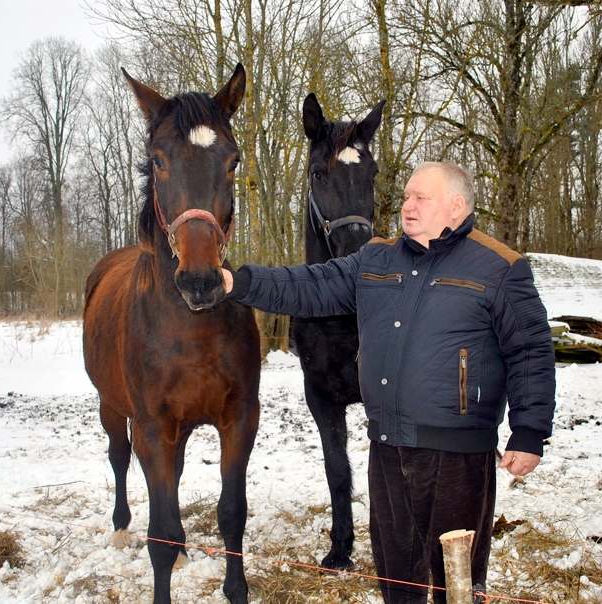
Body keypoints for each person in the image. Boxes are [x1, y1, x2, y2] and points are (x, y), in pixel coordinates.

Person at [222, 161, 555, 603]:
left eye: (421, 197)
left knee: (455, 583)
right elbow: (309, 285)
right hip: (387, 449)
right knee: (398, 580)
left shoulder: (499, 267)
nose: (407, 206)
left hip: (458, 456)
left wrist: (530, 432)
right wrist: (235, 281)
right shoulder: (376, 258)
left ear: (456, 207)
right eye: (405, 197)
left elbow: (531, 350)